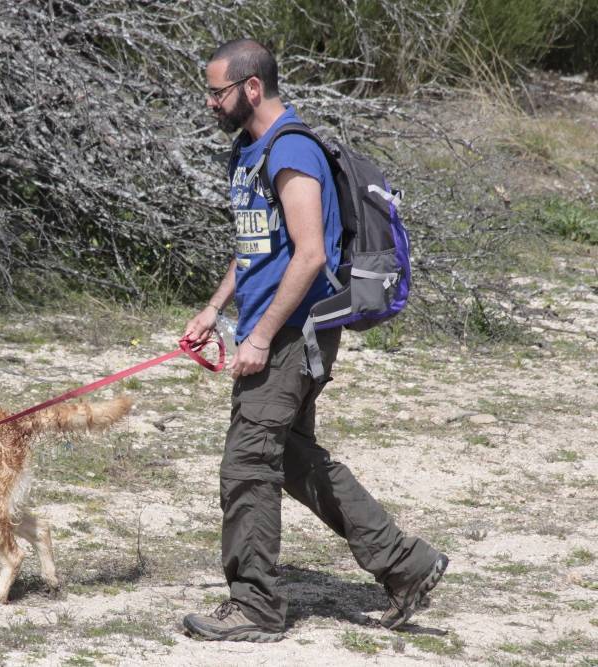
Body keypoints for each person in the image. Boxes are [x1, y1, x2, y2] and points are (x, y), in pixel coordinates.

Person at [180, 38, 449, 643]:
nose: (210, 102)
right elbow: (255, 248)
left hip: (290, 339)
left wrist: (260, 337)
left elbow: (310, 255)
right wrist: (214, 309)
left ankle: (256, 606)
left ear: (252, 88)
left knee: (248, 465)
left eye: (217, 92)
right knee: (295, 460)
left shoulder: (292, 150)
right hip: (270, 332)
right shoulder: (249, 151)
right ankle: (406, 564)